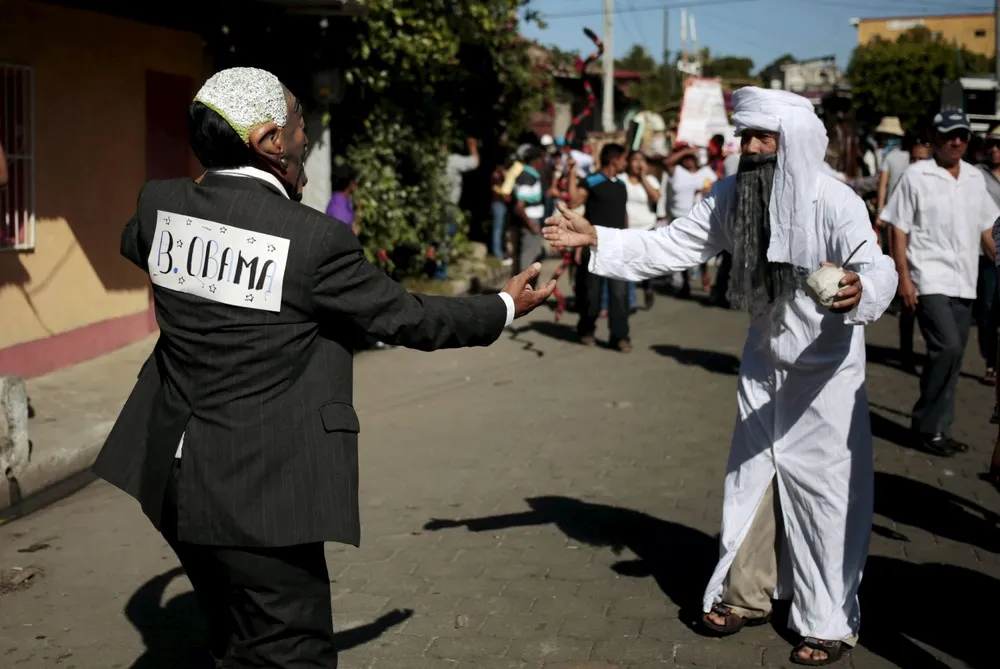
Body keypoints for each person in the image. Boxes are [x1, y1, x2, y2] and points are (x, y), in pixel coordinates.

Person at [90, 67, 555, 669]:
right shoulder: (313, 241)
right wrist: (505, 304)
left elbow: (138, 242)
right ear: (268, 142)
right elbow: (407, 318)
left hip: (168, 477)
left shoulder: (162, 205)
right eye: (298, 121)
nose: (306, 132)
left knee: (233, 632)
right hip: (257, 497)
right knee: (291, 650)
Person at [545, 87, 898, 666]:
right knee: (751, 481)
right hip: (764, 366)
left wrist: (864, 288)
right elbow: (674, 244)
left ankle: (826, 621)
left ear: (796, 143)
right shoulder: (732, 195)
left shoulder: (833, 200)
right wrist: (597, 238)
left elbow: (873, 262)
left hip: (826, 376)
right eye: (746, 138)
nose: (752, 149)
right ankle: (746, 594)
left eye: (764, 138)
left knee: (827, 495)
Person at [882, 109, 999, 457]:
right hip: (928, 277)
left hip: (965, 280)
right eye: (949, 135)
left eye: (962, 134)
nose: (957, 141)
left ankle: (937, 428)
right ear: (934, 138)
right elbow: (897, 227)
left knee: (955, 358)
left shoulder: (975, 180)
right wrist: (903, 277)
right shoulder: (917, 176)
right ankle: (927, 423)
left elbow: (987, 228)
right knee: (946, 348)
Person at [567, 142, 630, 351]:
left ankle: (619, 337)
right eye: (623, 159)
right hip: (594, 247)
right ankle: (586, 329)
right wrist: (571, 174)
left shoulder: (621, 185)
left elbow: (623, 216)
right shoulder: (592, 181)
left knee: (619, 295)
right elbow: (574, 201)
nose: (626, 163)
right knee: (591, 296)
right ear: (614, 160)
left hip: (617, 248)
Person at [662, 142, 717, 296]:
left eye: (691, 158)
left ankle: (705, 276)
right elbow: (666, 162)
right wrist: (686, 150)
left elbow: (720, 182)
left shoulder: (706, 172)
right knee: (683, 252)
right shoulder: (677, 171)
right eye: (685, 158)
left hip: (700, 218)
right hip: (679, 218)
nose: (688, 161)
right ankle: (686, 283)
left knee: (702, 251)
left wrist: (710, 189)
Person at [434, 137, 480, 279]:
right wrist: (473, 146)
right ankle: (441, 272)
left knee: (438, 238)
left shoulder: (433, 163)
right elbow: (474, 162)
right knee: (446, 237)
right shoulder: (452, 161)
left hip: (435, 206)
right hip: (449, 206)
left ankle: (438, 269)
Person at [622, 150, 660, 309]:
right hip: (628, 229)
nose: (638, 163)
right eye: (634, 160)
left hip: (647, 228)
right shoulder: (622, 179)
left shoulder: (651, 179)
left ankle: (648, 287)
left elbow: (656, 197)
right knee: (629, 266)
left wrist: (643, 177)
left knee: (645, 266)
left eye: (641, 160)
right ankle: (631, 301)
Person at [977, 126, 1000, 385]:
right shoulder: (978, 176)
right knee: (986, 310)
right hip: (987, 253)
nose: (995, 149)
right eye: (991, 144)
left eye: (999, 145)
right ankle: (990, 360)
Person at [512, 147, 547, 276]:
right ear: (535, 161)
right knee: (528, 259)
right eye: (542, 159)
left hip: (533, 221)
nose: (543, 162)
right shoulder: (527, 177)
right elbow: (519, 206)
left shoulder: (531, 176)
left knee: (535, 256)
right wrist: (531, 224)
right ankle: (521, 290)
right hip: (530, 221)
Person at [325, 164, 359, 235]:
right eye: (354, 180)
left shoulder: (343, 200)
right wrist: (353, 234)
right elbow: (339, 235)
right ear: (350, 183)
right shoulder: (338, 206)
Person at [490, 162, 511, 263]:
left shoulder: (499, 177)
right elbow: (500, 191)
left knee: (501, 229)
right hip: (497, 204)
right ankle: (497, 252)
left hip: (501, 205)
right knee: (497, 229)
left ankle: (501, 250)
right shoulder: (495, 177)